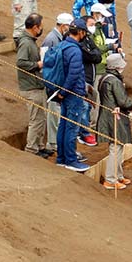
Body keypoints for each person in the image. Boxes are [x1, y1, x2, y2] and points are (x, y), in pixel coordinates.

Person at [56, 18, 90, 172]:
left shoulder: (63, 45)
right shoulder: (75, 50)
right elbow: (74, 74)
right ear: (81, 32)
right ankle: (70, 160)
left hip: (64, 92)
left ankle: (61, 158)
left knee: (63, 125)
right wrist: (65, 92)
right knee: (71, 127)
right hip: (73, 93)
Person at [96, 54, 132, 190]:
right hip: (114, 116)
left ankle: (118, 175)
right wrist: (131, 105)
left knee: (117, 147)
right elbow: (124, 101)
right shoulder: (114, 81)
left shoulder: (104, 78)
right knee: (115, 148)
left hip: (107, 114)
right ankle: (111, 179)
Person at [16, 13, 49, 157]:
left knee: (41, 119)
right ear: (35, 27)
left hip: (36, 85)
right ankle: (31, 149)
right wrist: (38, 64)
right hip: (31, 87)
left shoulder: (30, 41)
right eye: (40, 26)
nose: (41, 29)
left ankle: (39, 146)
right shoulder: (26, 43)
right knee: (36, 120)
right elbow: (20, 62)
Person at [41, 12, 73, 155]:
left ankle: (55, 142)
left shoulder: (59, 38)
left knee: (57, 114)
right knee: (53, 114)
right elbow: (44, 60)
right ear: (63, 25)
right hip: (52, 82)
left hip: (57, 81)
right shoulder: (50, 39)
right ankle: (52, 142)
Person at [90, 3, 120, 129]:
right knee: (95, 97)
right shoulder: (92, 31)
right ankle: (93, 123)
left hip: (102, 66)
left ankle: (97, 122)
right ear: (95, 14)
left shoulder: (99, 29)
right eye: (101, 15)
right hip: (96, 68)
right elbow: (95, 48)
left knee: (101, 96)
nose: (103, 18)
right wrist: (109, 47)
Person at [77, 16, 102, 147]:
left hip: (90, 77)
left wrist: (93, 54)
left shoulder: (87, 39)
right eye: (91, 24)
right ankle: (83, 133)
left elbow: (97, 55)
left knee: (87, 106)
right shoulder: (78, 42)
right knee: (84, 106)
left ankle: (84, 131)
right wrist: (93, 55)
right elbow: (91, 55)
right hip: (83, 78)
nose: (93, 26)